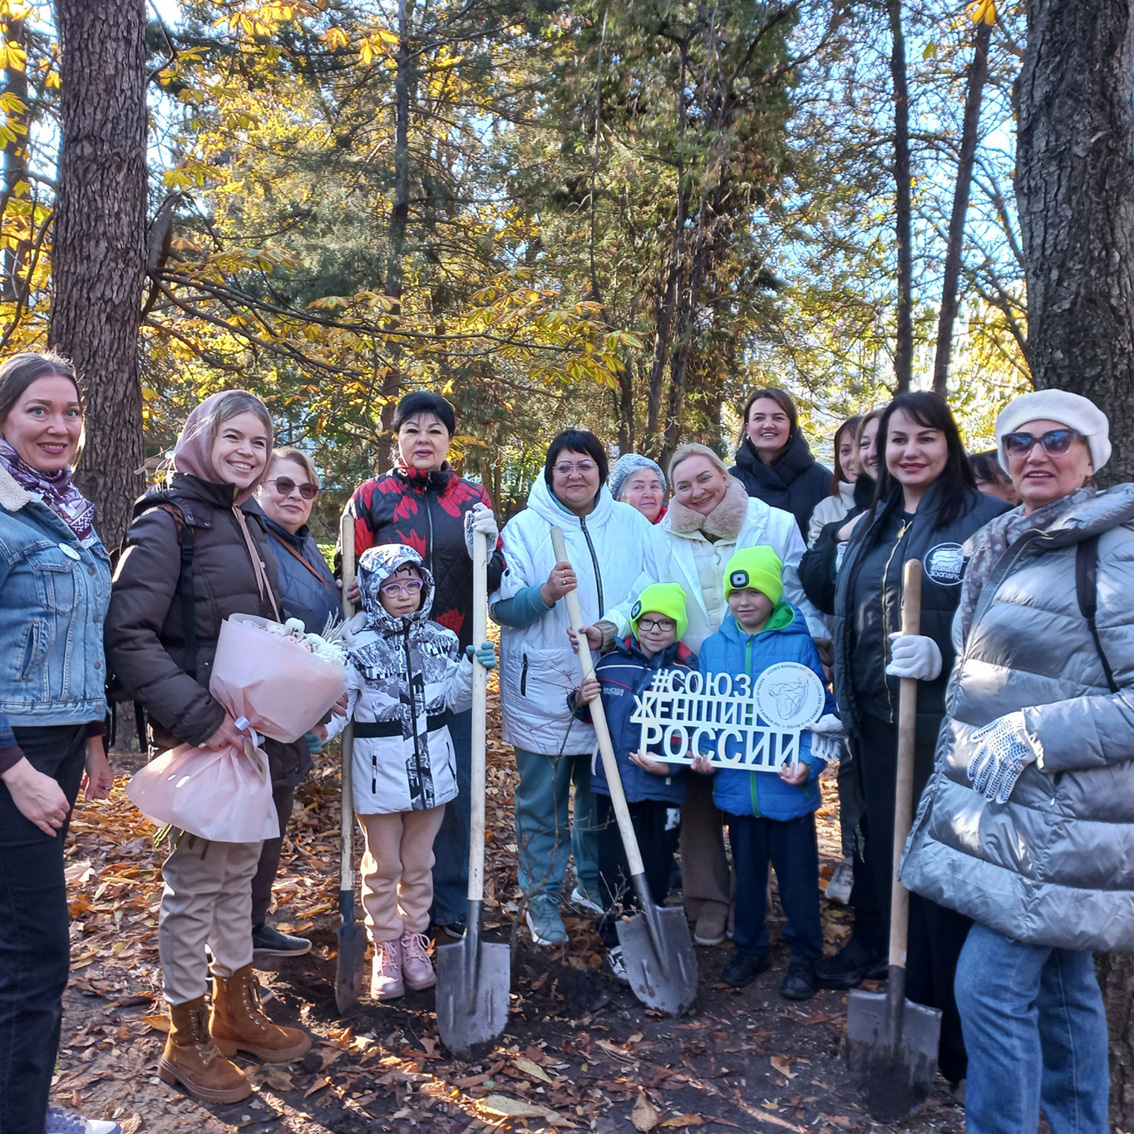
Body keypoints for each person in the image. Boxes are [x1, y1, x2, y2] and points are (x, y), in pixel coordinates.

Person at [900, 390, 1130, 1133]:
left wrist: (1037, 731)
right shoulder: (1007, 543)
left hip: (1064, 822)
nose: (1036, 454)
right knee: (1064, 996)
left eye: (1058, 440)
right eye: (1019, 442)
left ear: (1091, 457)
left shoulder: (1115, 547)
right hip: (1012, 818)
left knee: (989, 991)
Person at [106, 390, 312, 1105]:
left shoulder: (244, 521)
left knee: (237, 880)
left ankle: (234, 1011)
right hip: (202, 739)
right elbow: (127, 636)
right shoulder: (167, 522)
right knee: (193, 888)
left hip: (249, 740)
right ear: (201, 436)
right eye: (236, 438)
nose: (249, 453)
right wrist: (198, 718)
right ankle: (185, 1040)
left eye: (260, 442)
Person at [821, 390, 1009, 1090]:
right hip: (875, 727)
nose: (909, 452)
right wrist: (843, 700)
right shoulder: (871, 525)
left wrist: (946, 661)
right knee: (894, 871)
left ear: (949, 445)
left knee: (942, 888)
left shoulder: (984, 521)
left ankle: (956, 1043)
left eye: (926, 439)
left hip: (947, 736)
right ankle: (914, 1011)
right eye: (898, 440)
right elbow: (854, 621)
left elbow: (1011, 637)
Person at [599, 442, 826, 947]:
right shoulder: (661, 537)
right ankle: (708, 903)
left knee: (763, 786)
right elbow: (641, 590)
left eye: (705, 479)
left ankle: (764, 905)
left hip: (767, 669)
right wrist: (609, 628)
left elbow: (798, 593)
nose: (696, 491)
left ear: (724, 476)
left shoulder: (772, 522)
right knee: (700, 790)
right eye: (683, 485)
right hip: (698, 675)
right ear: (672, 492)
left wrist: (815, 644)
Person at [0, 352, 120, 1134]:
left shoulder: (68, 509)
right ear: (5, 418)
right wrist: (14, 768)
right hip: (14, 752)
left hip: (61, 741)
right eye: (39, 410)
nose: (59, 426)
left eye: (70, 411)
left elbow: (82, 636)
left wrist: (97, 736)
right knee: (35, 951)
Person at [347, 391, 503, 938]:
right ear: (397, 438)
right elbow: (356, 581)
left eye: (435, 429)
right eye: (412, 429)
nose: (423, 439)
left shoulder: (472, 500)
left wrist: (489, 543)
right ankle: (387, 914)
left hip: (451, 658)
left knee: (449, 781)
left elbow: (494, 577)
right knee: (387, 792)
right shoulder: (372, 499)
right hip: (384, 666)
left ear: (448, 440)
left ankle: (450, 897)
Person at [492, 429, 653, 946]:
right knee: (543, 798)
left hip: (613, 678)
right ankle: (541, 898)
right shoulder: (525, 528)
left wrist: (611, 628)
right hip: (544, 684)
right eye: (564, 466)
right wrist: (544, 594)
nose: (575, 474)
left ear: (602, 472)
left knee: (597, 796)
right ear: (549, 473)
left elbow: (651, 591)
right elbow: (502, 607)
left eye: (584, 464)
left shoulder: (630, 524)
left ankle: (590, 884)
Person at [325, 545, 496, 999]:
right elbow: (342, 707)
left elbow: (454, 703)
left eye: (412, 585)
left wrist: (470, 671)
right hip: (380, 772)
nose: (404, 595)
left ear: (425, 587)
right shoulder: (356, 646)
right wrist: (313, 726)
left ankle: (413, 941)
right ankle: (384, 944)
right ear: (374, 591)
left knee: (420, 864)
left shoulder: (441, 640)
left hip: (433, 773)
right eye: (392, 586)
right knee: (384, 865)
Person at [697, 548, 840, 1000]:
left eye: (754, 591)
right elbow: (704, 714)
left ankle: (804, 956)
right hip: (738, 790)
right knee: (749, 874)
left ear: (772, 594)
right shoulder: (713, 647)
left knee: (798, 879)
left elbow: (821, 714)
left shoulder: (797, 642)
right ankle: (750, 948)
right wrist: (703, 752)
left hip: (787, 789)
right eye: (736, 592)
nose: (744, 601)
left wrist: (809, 763)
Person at [569, 583, 696, 984]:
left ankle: (653, 925)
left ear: (678, 627)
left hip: (662, 789)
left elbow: (700, 731)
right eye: (647, 621)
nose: (655, 629)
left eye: (665, 622)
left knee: (657, 860)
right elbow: (589, 718)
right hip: (614, 786)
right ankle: (617, 938)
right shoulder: (608, 667)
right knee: (613, 864)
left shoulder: (690, 675)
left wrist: (674, 768)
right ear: (636, 623)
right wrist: (579, 699)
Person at [252, 447, 342, 961]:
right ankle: (223, 951)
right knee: (241, 832)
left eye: (306, 489)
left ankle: (254, 923)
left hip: (295, 711)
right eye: (283, 485)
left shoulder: (306, 548)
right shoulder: (253, 541)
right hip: (251, 708)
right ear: (260, 487)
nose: (295, 497)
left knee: (274, 821)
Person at [730, 387, 831, 537]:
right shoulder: (731, 481)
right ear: (747, 428)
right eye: (759, 418)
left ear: (791, 427)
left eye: (778, 418)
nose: (768, 424)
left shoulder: (822, 479)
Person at [807, 415, 862, 546]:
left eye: (862, 447)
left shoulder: (903, 501)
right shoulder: (824, 510)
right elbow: (813, 561)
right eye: (845, 451)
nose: (854, 457)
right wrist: (838, 535)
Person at [609, 454, 668, 524]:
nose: (649, 494)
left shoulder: (679, 529)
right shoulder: (605, 531)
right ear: (618, 497)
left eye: (654, 486)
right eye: (638, 487)